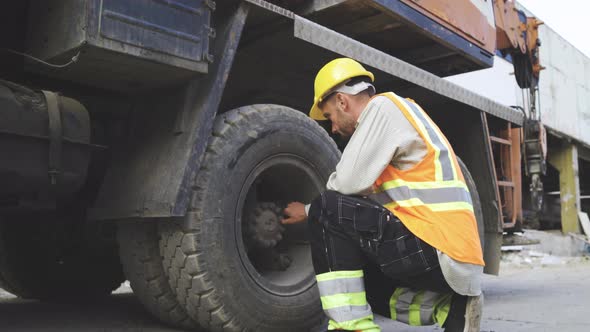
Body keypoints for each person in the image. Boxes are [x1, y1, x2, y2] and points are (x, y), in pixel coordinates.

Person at [282, 58, 484, 332]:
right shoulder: (403, 113)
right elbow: (364, 206)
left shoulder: (382, 108)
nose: (333, 128)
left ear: (342, 101)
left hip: (437, 246)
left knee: (327, 208)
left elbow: (346, 182)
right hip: (456, 257)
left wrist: (307, 211)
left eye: (329, 116)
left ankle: (351, 328)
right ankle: (451, 311)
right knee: (361, 282)